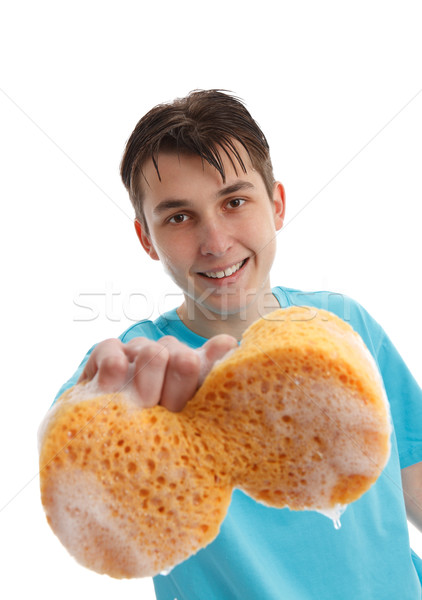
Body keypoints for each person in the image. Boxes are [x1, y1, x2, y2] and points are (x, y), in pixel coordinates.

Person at [54, 90, 422, 599]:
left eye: (234, 202)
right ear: (146, 238)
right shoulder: (142, 370)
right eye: (178, 217)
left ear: (276, 205)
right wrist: (105, 419)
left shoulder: (344, 324)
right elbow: (85, 481)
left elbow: (414, 480)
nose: (215, 241)